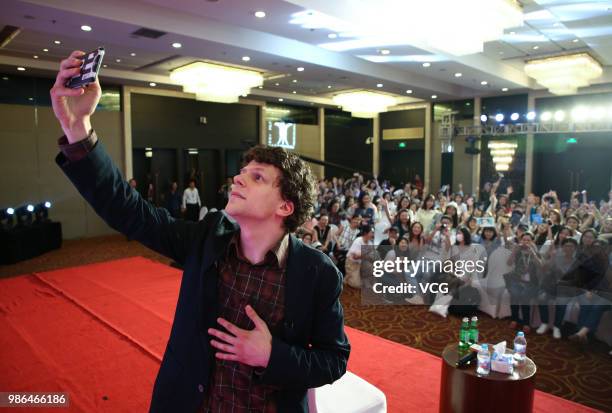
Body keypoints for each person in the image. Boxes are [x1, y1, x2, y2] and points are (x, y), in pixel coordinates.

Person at [50, 51, 350, 413]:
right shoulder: (209, 239)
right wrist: (76, 125)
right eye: (243, 171)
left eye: (257, 178)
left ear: (285, 207)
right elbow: (130, 212)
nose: (238, 178)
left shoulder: (316, 272)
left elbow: (334, 360)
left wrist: (273, 356)